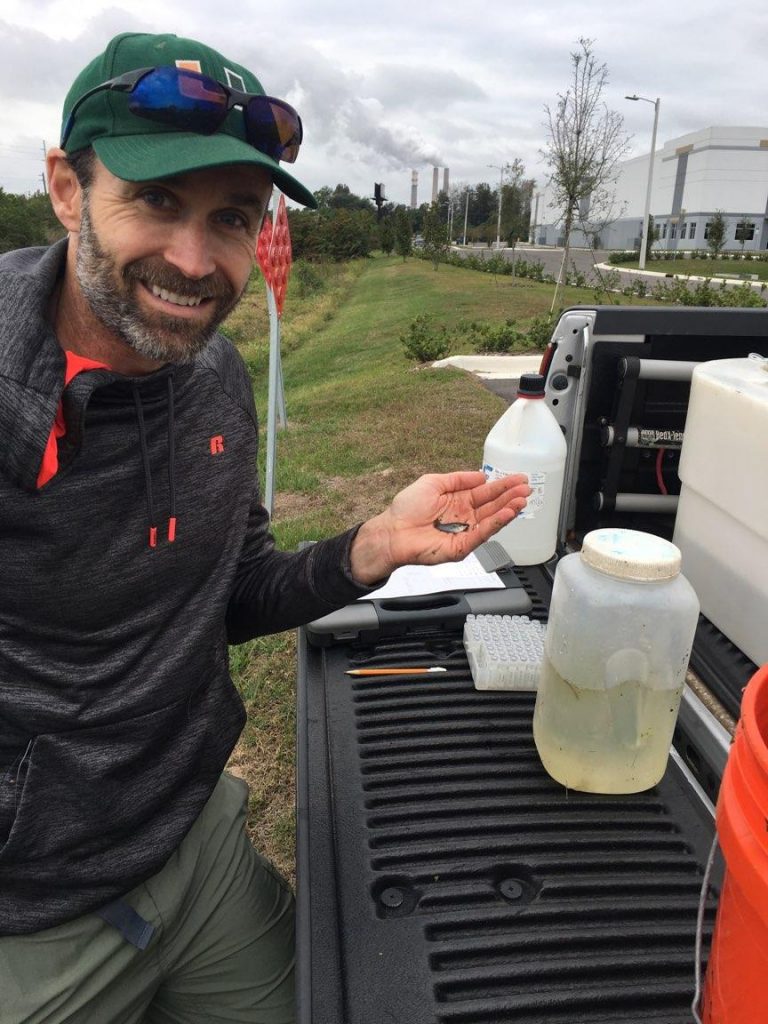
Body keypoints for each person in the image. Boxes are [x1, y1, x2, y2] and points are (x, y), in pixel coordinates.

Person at [0, 31, 531, 1024]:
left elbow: (229, 588)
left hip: (192, 845)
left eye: (232, 217)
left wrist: (367, 548)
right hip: (29, 921)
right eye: (157, 201)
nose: (196, 262)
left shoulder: (211, 375)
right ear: (68, 190)